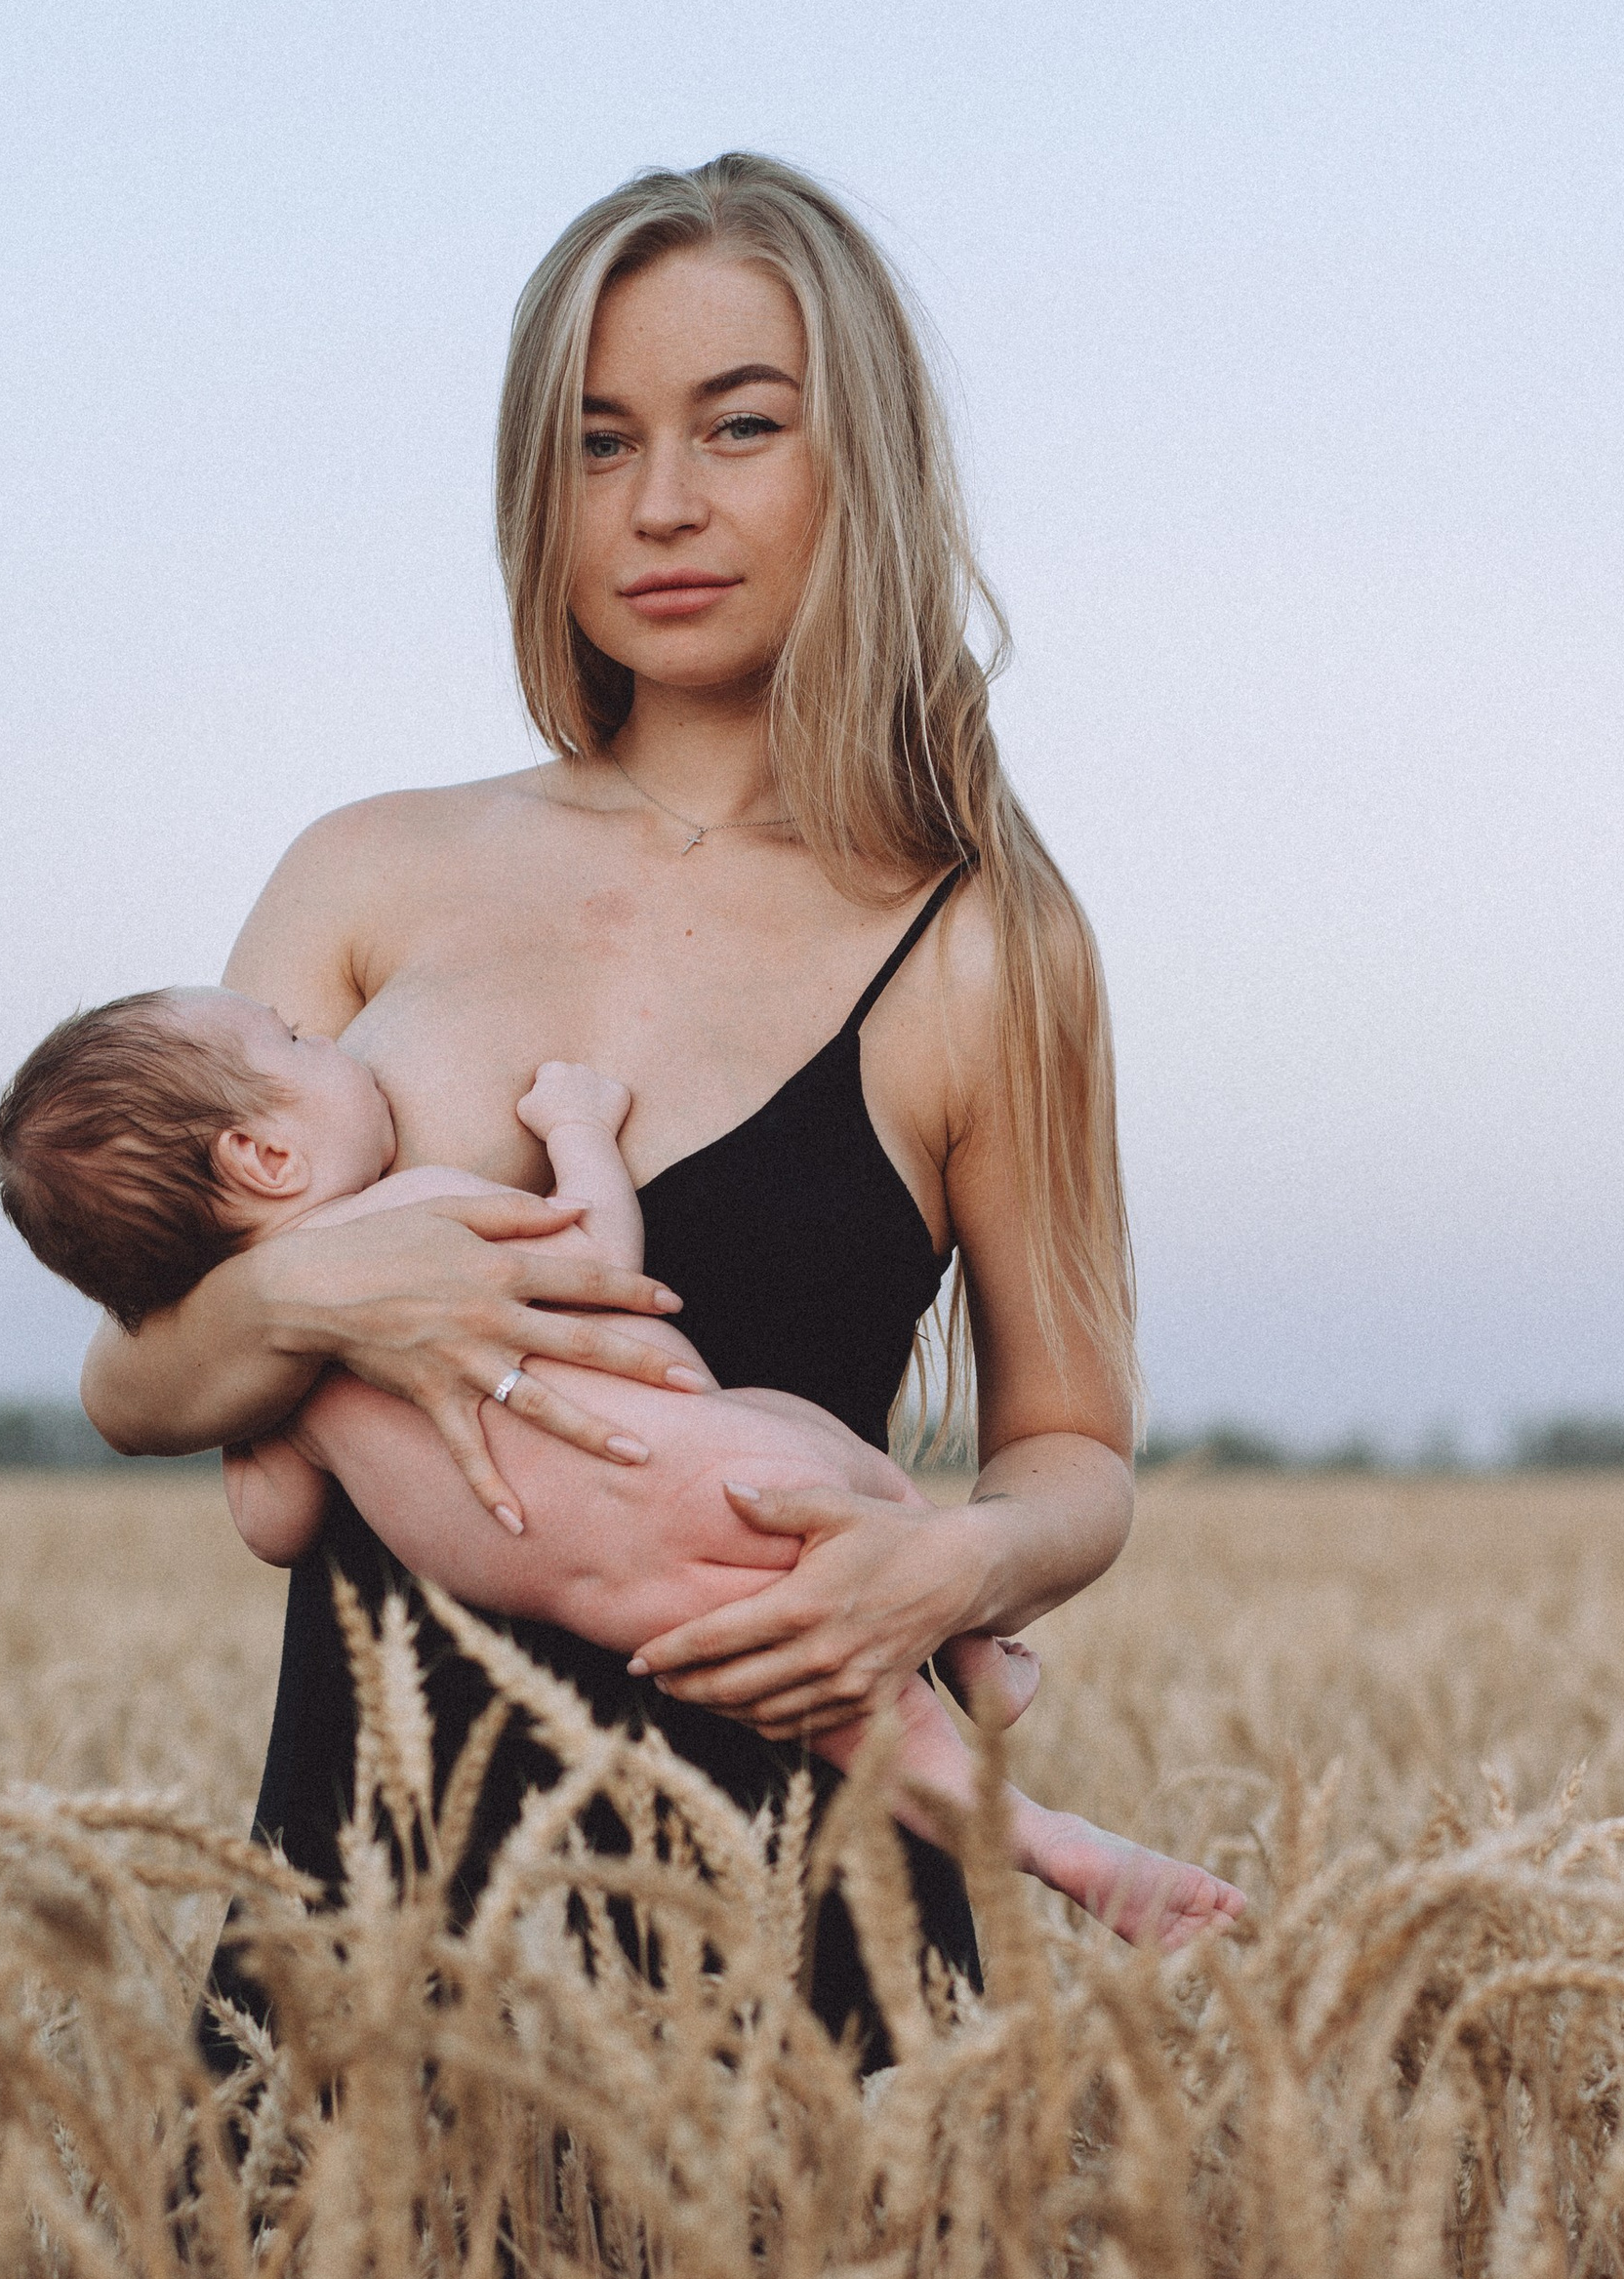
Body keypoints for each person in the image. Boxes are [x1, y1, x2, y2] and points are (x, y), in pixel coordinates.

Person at [79, 150, 1168, 2054]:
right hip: (375, 1934)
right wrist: (315, 1296)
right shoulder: (366, 872)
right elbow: (138, 1377)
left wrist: (950, 1563)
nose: (660, 503)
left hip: (807, 1951)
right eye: (594, 446)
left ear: (863, 467)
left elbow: (1071, 1451)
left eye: (736, 427)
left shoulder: (984, 940)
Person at [0, 985, 1240, 1946]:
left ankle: (1052, 1843)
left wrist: (263, 1408)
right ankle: (977, 1656)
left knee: (879, 1737)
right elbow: (596, 1249)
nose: (336, 1047)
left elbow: (271, 1527)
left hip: (637, 1601)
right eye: (298, 1045)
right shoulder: (411, 1209)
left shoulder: (274, 1387)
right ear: (266, 1156)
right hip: (735, 1456)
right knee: (853, 1471)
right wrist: (578, 1128)